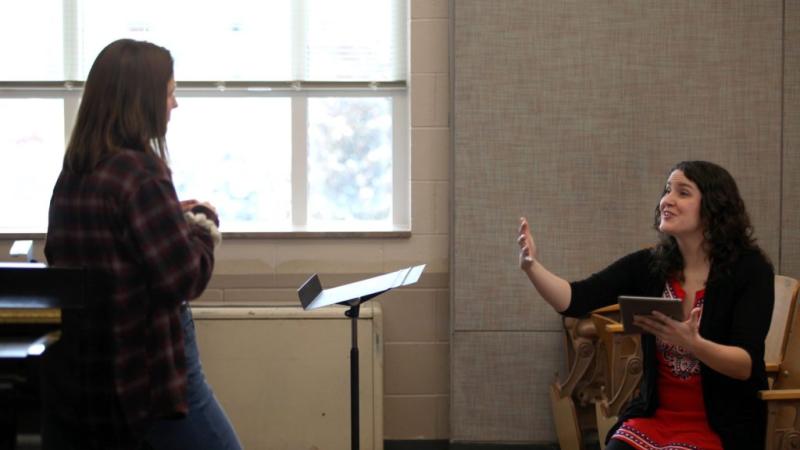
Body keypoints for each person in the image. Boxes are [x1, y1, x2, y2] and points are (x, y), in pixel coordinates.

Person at [43, 39, 242, 450]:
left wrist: (171, 217)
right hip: (147, 373)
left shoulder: (75, 171)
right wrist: (203, 224)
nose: (174, 104)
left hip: (90, 375)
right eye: (169, 93)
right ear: (143, 99)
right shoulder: (143, 172)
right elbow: (183, 278)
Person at [517, 161, 774, 450]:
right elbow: (575, 299)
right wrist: (532, 267)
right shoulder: (651, 265)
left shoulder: (751, 270)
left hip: (721, 426)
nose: (667, 200)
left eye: (683, 192)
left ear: (714, 206)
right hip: (655, 418)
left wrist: (694, 343)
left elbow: (744, 366)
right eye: (667, 190)